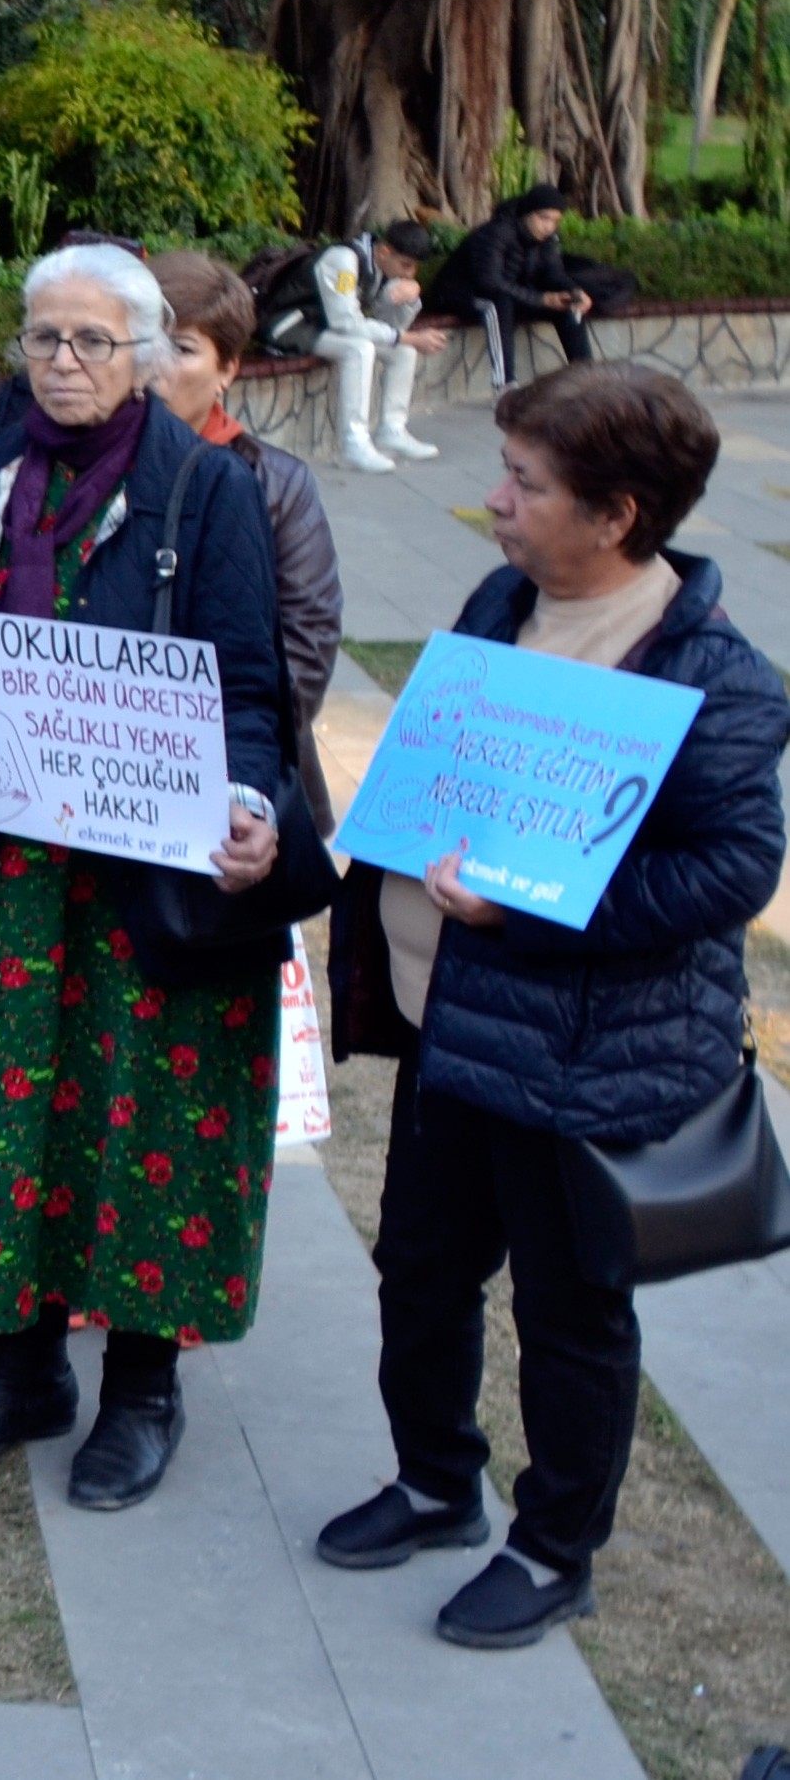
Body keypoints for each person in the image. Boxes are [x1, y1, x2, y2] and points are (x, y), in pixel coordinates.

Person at [318, 365, 789, 1650]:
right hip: (446, 1026)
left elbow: (730, 870)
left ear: (618, 514)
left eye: (525, 483)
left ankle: (553, 1545)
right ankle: (433, 1481)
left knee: (570, 1312)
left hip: (584, 1060)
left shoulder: (716, 675)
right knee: (419, 1268)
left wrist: (533, 908)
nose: (496, 501)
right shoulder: (500, 596)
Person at [0, 244, 307, 1513]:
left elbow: (248, 680)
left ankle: (139, 1390)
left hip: (140, 880)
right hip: (5, 876)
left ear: (142, 353)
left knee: (139, 1127)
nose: (63, 363)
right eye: (45, 339)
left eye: (92, 342)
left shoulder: (202, 494)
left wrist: (246, 802)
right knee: (12, 1114)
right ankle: (21, 1369)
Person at [152, 251, 344, 829]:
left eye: (181, 349)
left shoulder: (276, 484)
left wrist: (206, 753)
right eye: (142, 343)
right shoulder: (72, 468)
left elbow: (305, 648)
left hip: (224, 783)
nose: (154, 368)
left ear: (229, 369)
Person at [444, 184, 638, 371]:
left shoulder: (548, 238)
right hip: (464, 294)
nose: (549, 227)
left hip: (512, 292)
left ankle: (586, 373)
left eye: (555, 221)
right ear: (528, 213)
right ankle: (505, 386)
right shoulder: (496, 233)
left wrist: (574, 291)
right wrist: (541, 299)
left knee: (568, 304)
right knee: (499, 304)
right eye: (543, 218)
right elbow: (489, 282)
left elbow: (553, 273)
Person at [305, 223, 447, 470]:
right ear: (383, 252)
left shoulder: (378, 268)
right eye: (406, 265)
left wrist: (407, 299)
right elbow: (346, 323)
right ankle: (353, 444)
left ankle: (392, 429)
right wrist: (408, 337)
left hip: (325, 329)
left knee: (402, 352)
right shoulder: (344, 260)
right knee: (360, 349)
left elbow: (389, 326)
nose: (411, 273)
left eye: (415, 267)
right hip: (294, 328)